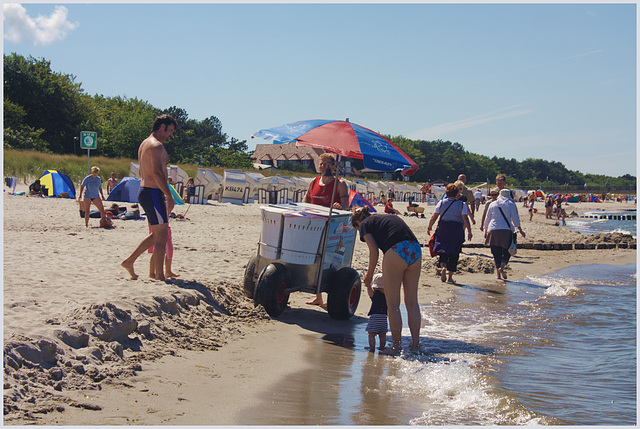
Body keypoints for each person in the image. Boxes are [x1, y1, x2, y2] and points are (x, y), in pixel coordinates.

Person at [351, 206, 422, 355]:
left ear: (358, 222)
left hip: (396, 250)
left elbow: (374, 251)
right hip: (415, 249)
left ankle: (396, 346)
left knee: (393, 304)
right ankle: (416, 344)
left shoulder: (364, 224)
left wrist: (369, 276)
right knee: (412, 302)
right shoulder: (386, 217)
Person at [121, 114, 177, 281]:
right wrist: (169, 196)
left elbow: (141, 172)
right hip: (153, 192)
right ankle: (159, 276)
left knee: (157, 233)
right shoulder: (156, 146)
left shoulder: (144, 144)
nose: (171, 135)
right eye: (170, 130)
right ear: (162, 127)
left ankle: (130, 261)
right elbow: (158, 173)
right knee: (162, 236)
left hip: (146, 190)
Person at [303, 152, 349, 307]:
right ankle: (318, 297)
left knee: (328, 261)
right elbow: (306, 201)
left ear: (333, 166)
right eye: (320, 163)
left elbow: (346, 207)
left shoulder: (340, 184)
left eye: (325, 163)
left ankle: (331, 297)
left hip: (332, 229)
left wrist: (339, 207)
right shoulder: (313, 182)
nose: (322, 166)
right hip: (314, 226)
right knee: (315, 258)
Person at [427, 183, 472, 283]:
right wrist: (469, 231)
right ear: (457, 193)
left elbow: (434, 216)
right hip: (456, 228)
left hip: (443, 228)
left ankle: (443, 267)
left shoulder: (441, 203)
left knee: (443, 249)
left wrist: (430, 227)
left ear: (446, 192)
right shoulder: (462, 204)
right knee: (454, 252)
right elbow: (465, 218)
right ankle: (450, 277)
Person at [483, 189, 526, 280]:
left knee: (495, 252)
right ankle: (502, 267)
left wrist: (486, 230)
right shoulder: (511, 204)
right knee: (508, 250)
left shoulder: (493, 204)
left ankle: (498, 275)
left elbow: (488, 218)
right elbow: (515, 219)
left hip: (493, 230)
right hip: (506, 230)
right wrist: (521, 230)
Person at [365, 273, 388, 352]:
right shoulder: (387, 296)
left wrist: (368, 285)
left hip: (375, 318)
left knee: (371, 334)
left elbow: (370, 292)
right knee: (382, 335)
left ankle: (372, 347)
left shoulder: (375, 294)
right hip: (384, 318)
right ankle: (382, 347)